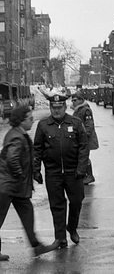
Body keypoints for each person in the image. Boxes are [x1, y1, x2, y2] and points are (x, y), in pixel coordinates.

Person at [33, 94, 89, 249]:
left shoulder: (76, 123)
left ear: (65, 107)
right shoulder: (43, 125)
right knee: (57, 206)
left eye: (59, 108)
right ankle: (60, 238)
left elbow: (84, 147)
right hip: (53, 173)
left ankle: (72, 227)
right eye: (53, 108)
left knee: (77, 201)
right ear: (50, 108)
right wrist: (36, 170)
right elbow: (37, 149)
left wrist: (81, 168)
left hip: (73, 172)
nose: (56, 111)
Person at [0, 105, 54, 261]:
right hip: (8, 185)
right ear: (22, 121)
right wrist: (21, 174)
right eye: (30, 118)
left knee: (28, 213)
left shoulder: (18, 133)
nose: (33, 121)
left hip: (15, 186)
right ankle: (36, 246)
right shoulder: (16, 136)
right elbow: (12, 158)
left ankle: (36, 246)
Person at [71, 91, 99, 185]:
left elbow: (89, 125)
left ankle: (89, 176)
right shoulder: (78, 110)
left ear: (81, 100)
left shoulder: (85, 110)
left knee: (84, 157)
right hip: (80, 138)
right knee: (81, 156)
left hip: (85, 138)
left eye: (75, 100)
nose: (73, 102)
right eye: (72, 101)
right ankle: (85, 175)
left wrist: (85, 136)